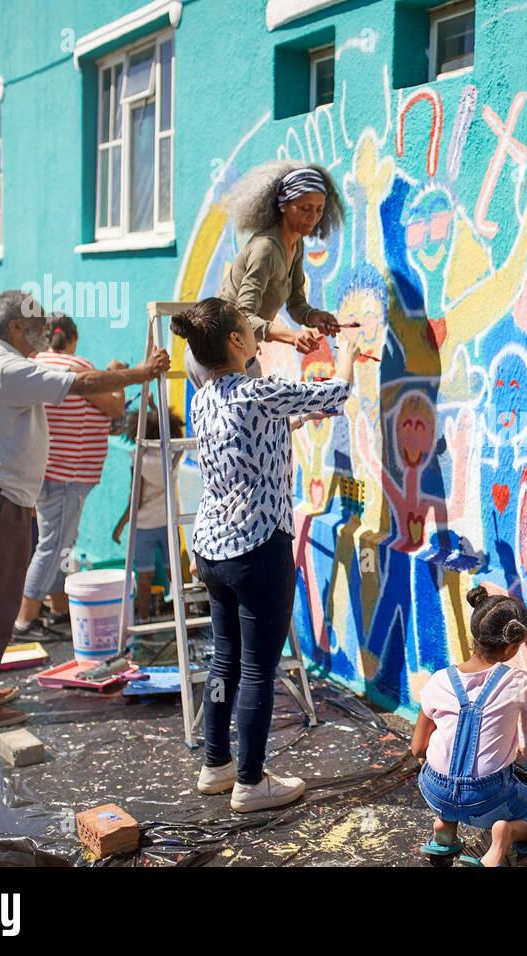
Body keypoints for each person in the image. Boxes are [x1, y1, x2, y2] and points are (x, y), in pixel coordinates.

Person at [0, 290, 169, 730]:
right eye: (36, 323)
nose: (45, 331)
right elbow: (84, 386)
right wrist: (142, 374)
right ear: (14, 327)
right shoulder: (10, 367)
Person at [174, 297, 359, 812]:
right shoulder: (257, 391)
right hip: (258, 546)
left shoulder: (204, 398)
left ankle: (217, 767)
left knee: (225, 660)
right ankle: (252, 783)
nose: (258, 336)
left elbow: (254, 434)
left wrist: (293, 420)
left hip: (212, 548)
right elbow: (338, 392)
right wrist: (348, 348)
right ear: (236, 341)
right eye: (249, 330)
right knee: (258, 667)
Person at [411, 586, 527, 866]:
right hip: (487, 795)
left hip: (434, 790)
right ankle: (504, 835)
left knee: (445, 772)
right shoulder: (519, 682)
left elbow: (417, 748)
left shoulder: (438, 680)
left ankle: (445, 828)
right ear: (509, 648)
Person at [183, 163, 346, 388]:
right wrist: (292, 336)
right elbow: (244, 314)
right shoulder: (266, 249)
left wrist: (314, 317)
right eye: (305, 208)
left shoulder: (296, 244)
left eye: (319, 209)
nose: (313, 216)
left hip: (239, 355)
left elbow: (296, 304)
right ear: (283, 206)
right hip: (216, 356)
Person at [14, 314, 125, 636]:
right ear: (72, 339)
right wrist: (114, 374)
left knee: (60, 543)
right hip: (69, 473)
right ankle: (26, 618)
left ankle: (60, 608)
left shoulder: (35, 363)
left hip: (42, 471)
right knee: (53, 546)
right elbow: (114, 407)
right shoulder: (77, 365)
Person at [111, 405, 184, 623]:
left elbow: (137, 498)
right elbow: (163, 425)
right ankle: (185, 621)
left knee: (144, 576)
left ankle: (144, 620)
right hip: (168, 522)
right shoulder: (173, 455)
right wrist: (153, 405)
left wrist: (121, 524)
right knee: (175, 575)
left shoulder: (140, 461)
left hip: (144, 525)